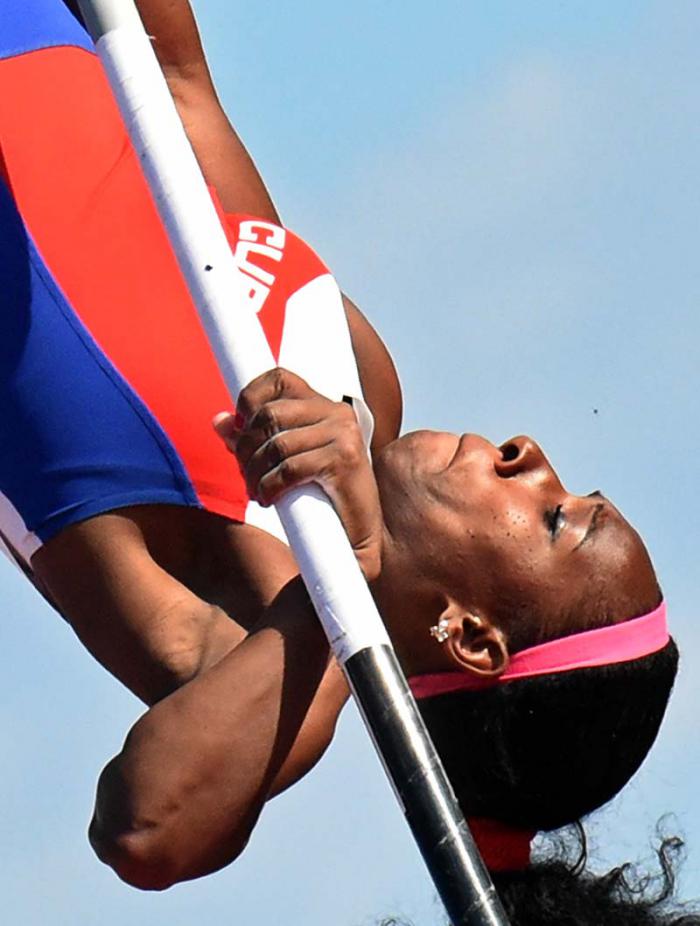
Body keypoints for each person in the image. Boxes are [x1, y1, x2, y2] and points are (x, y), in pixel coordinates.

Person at [0, 0, 685, 920]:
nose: (530, 454)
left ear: (470, 635)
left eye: (555, 516)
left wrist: (345, 578)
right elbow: (177, 86)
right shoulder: (366, 388)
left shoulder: (255, 626)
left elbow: (145, 830)